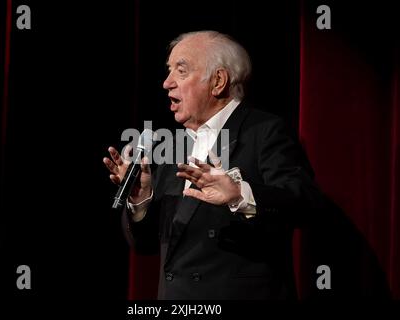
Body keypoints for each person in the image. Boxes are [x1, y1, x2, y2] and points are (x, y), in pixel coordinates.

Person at [103, 30, 323, 299]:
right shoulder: (175, 148)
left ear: (218, 81)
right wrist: (140, 200)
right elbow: (145, 245)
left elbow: (307, 203)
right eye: (168, 71)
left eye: (181, 72)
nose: (166, 83)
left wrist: (240, 194)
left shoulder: (264, 131)